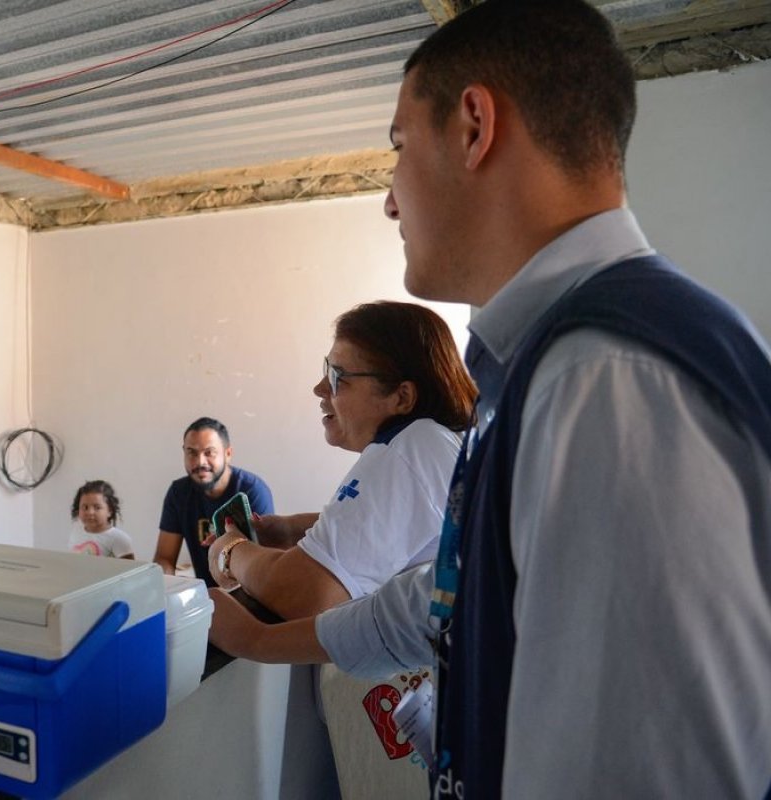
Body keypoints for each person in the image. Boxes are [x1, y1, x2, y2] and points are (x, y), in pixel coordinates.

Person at [209, 1, 771, 797]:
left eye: (399, 148)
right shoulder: (541, 363)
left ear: (474, 125)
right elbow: (445, 591)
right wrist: (273, 646)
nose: (390, 200)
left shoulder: (607, 382)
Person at [205, 301, 474, 619]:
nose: (319, 389)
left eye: (337, 377)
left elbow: (303, 594)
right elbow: (395, 528)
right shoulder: (438, 439)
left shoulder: (409, 450)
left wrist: (229, 550)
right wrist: (293, 530)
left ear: (401, 397)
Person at [153, 417, 273, 587]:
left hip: (249, 595)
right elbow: (164, 558)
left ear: (228, 454)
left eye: (209, 452)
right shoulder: (178, 493)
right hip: (206, 596)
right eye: (192, 452)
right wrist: (163, 584)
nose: (200, 462)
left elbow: (264, 565)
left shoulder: (252, 491)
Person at [68, 479, 134, 559]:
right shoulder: (76, 531)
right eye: (85, 507)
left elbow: (131, 570)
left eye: (97, 507)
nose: (90, 512)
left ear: (109, 511)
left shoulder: (119, 539)